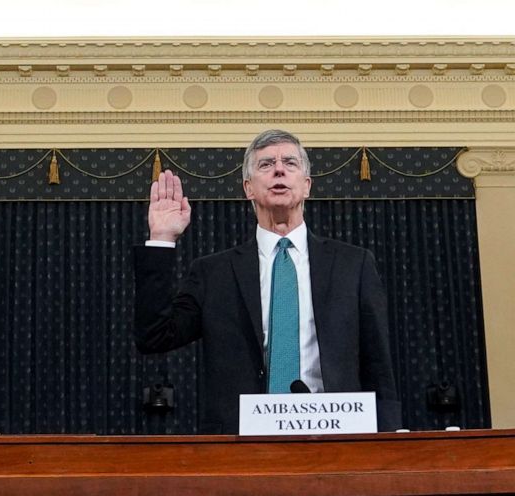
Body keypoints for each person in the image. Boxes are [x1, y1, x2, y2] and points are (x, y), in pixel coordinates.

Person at [135, 129, 401, 434]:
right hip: (242, 445)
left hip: (336, 439)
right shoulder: (214, 273)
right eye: (265, 164)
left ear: (307, 186)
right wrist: (161, 239)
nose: (278, 169)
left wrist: (388, 443)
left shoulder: (353, 265)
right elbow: (154, 337)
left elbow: (379, 366)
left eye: (290, 163)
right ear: (248, 188)